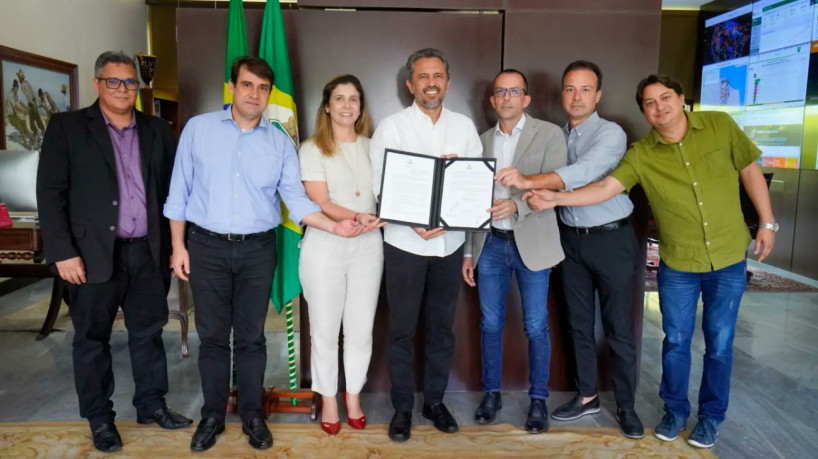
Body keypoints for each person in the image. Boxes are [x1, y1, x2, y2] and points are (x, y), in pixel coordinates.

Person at [523, 74, 776, 449]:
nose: (659, 107)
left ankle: (710, 417)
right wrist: (555, 199)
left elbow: (750, 170)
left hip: (726, 256)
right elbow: (606, 187)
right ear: (644, 110)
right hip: (678, 262)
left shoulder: (719, 126)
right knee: (675, 341)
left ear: (682, 98)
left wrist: (767, 222)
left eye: (665, 98)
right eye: (650, 103)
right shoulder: (642, 153)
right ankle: (674, 412)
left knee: (719, 343)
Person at [163, 56, 361, 452]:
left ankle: (253, 415)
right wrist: (178, 247)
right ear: (233, 87)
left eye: (263, 88)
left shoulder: (279, 141)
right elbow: (177, 195)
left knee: (252, 339)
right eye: (248, 85)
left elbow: (296, 200)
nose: (255, 94)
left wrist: (334, 225)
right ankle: (213, 416)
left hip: (256, 249)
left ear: (269, 95)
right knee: (214, 338)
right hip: (206, 247)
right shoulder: (198, 130)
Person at [36, 51, 191, 453]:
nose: (123, 89)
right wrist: (62, 252)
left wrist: (177, 246)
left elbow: (174, 193)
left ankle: (151, 404)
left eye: (130, 82)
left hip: (147, 253)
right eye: (114, 82)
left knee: (149, 334)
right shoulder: (67, 128)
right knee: (91, 341)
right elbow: (50, 195)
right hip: (89, 256)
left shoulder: (158, 129)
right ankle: (100, 419)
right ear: (97, 84)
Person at [495, 60, 644, 439]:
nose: (576, 97)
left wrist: (531, 182)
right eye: (570, 89)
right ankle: (587, 395)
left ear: (598, 95)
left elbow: (585, 173)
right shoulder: (556, 135)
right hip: (570, 242)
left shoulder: (611, 134)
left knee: (617, 326)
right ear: (562, 94)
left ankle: (626, 406)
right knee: (578, 324)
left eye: (585, 89)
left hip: (612, 239)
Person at [370, 48, 482, 442]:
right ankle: (402, 407)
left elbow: (473, 187)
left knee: (441, 330)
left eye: (437, 75)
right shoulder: (392, 127)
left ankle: (434, 401)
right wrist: (414, 220)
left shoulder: (464, 128)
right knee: (401, 330)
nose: (430, 82)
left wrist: (466, 248)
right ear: (410, 84)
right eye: (422, 76)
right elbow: (379, 187)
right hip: (404, 244)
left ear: (447, 82)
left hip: (449, 247)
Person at [461, 69, 566, 434]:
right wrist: (468, 253)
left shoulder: (550, 134)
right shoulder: (481, 141)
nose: (506, 97)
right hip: (490, 245)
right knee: (490, 324)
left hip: (533, 245)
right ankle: (492, 394)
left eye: (514, 91)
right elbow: (472, 201)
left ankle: (538, 399)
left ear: (526, 99)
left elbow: (557, 185)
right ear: (492, 101)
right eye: (499, 92)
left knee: (536, 324)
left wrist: (517, 205)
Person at [298, 74, 385, 435]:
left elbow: (393, 190)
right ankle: (329, 398)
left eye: (354, 99)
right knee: (325, 331)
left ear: (361, 106)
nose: (347, 105)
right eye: (340, 98)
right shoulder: (312, 147)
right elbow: (320, 200)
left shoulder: (373, 146)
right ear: (327, 106)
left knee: (361, 331)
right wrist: (354, 216)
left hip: (368, 246)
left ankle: (353, 395)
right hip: (325, 245)